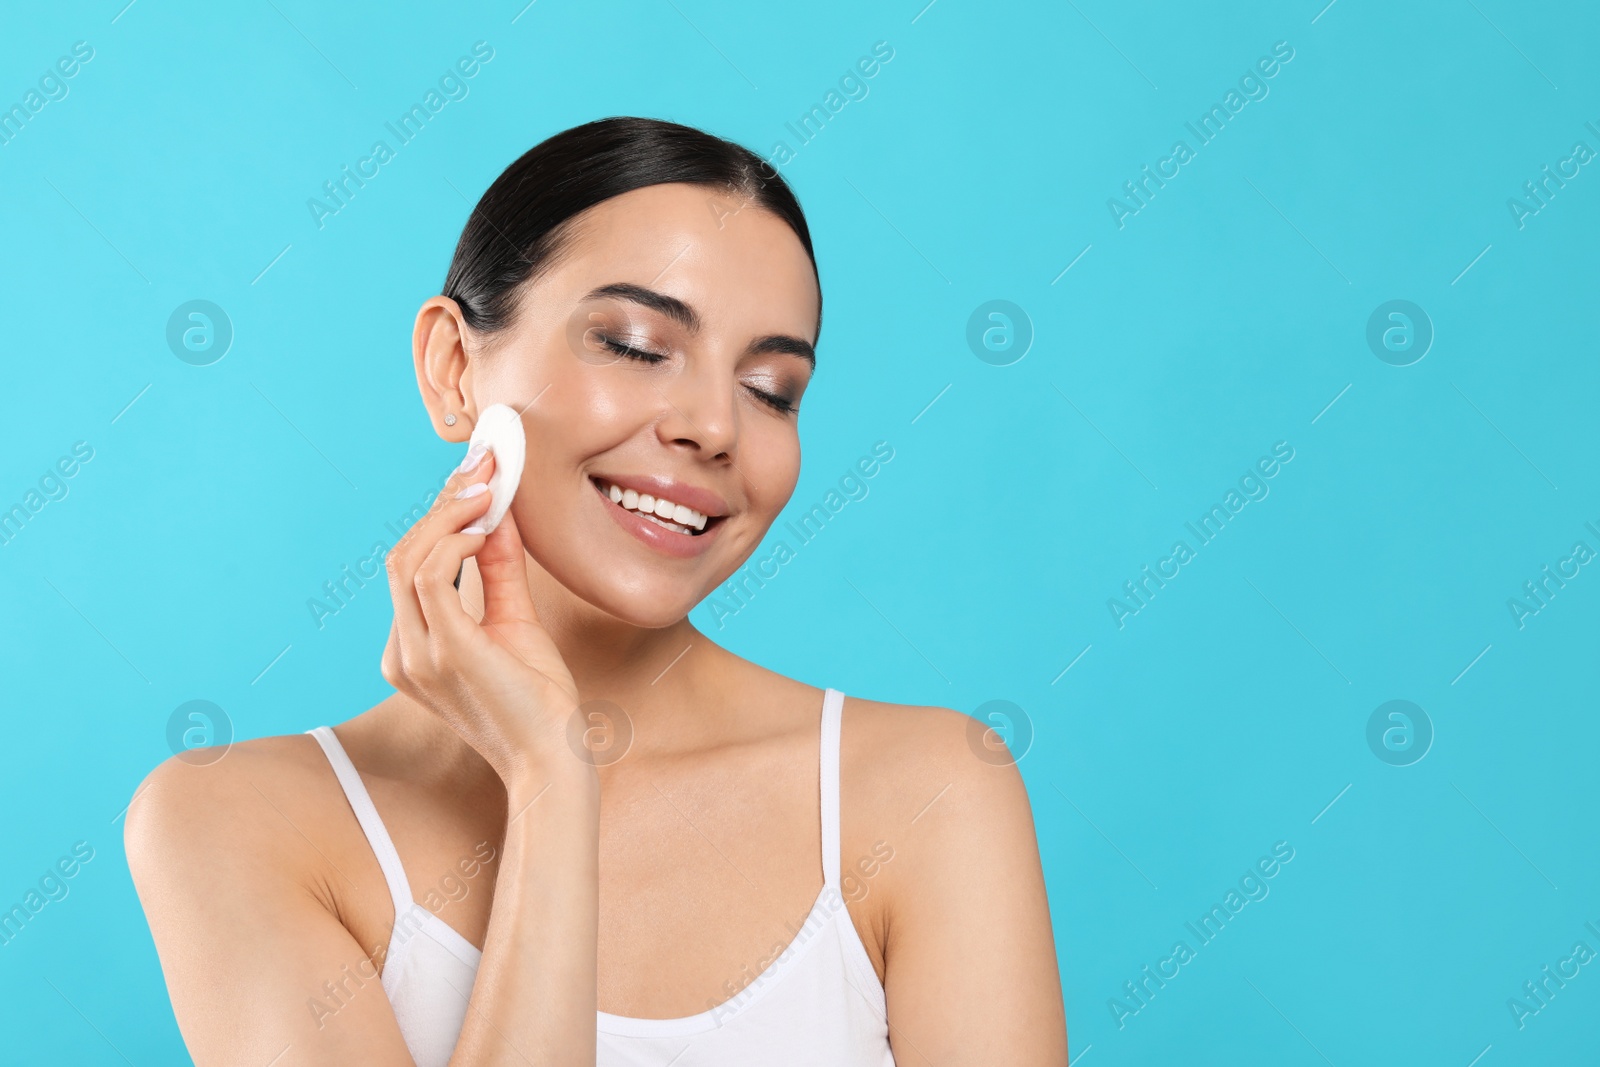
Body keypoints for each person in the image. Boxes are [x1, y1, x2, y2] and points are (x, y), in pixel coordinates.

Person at [126, 116, 1068, 1066]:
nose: (713, 426)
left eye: (772, 389)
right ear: (454, 368)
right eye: (632, 343)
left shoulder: (931, 792)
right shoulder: (232, 821)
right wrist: (550, 781)